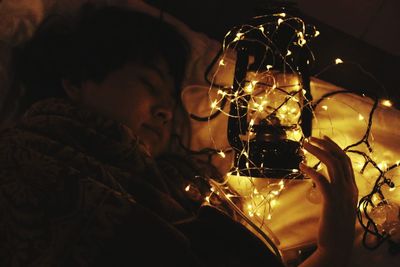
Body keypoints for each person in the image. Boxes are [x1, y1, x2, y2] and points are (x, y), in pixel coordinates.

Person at [0, 3, 358, 267]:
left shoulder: (184, 187)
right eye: (149, 85)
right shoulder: (23, 158)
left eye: (171, 99)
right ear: (76, 81)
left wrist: (332, 249)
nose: (166, 111)